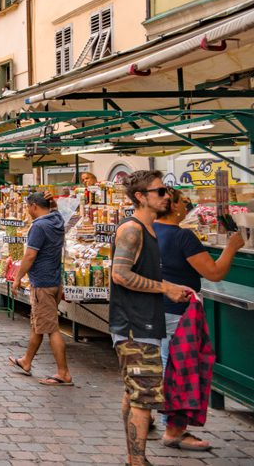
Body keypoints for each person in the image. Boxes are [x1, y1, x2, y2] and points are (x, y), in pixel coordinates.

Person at [110, 170, 196, 466]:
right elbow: (119, 274)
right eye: (159, 191)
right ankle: (137, 460)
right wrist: (166, 288)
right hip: (136, 325)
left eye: (166, 190)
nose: (166, 196)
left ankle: (135, 458)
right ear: (140, 197)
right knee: (143, 399)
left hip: (143, 323)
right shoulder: (132, 230)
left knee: (134, 394)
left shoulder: (149, 230)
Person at [154, 187, 244, 451]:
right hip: (179, 311)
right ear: (173, 206)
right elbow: (214, 273)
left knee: (162, 364)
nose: (186, 207)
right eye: (183, 202)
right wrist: (232, 247)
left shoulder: (147, 230)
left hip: (153, 309)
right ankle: (173, 430)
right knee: (179, 368)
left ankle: (150, 416)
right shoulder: (182, 236)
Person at [8, 193, 72, 386]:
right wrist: (52, 203)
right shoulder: (57, 220)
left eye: (28, 207)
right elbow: (57, 210)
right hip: (54, 279)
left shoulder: (39, 226)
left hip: (42, 283)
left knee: (51, 328)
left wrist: (17, 278)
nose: (28, 211)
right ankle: (26, 361)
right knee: (38, 323)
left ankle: (63, 373)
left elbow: (29, 256)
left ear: (34, 206)